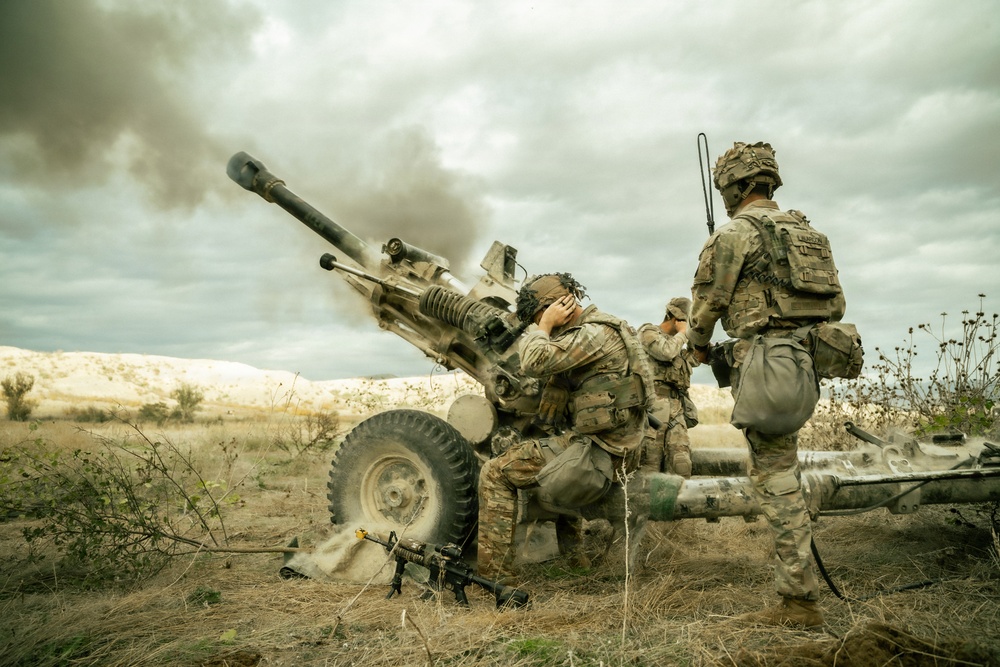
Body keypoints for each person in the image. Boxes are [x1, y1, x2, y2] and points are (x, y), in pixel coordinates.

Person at [688, 141, 847, 630]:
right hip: (806, 365)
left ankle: (799, 603)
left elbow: (710, 302)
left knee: (776, 482)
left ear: (733, 188)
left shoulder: (734, 234)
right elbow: (836, 306)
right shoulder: (809, 234)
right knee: (784, 473)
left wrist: (696, 344)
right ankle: (797, 588)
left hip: (767, 365)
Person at [477, 273, 652, 579]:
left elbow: (534, 361)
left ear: (559, 306)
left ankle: (496, 579)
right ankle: (576, 562)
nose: (537, 325)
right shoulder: (612, 326)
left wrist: (544, 327)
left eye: (537, 317)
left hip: (601, 456)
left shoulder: (592, 334)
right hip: (617, 448)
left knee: (494, 472)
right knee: (558, 443)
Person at [638, 297, 699, 477]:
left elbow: (696, 359)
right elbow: (665, 352)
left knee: (682, 464)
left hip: (676, 407)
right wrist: (682, 334)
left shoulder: (678, 344)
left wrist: (696, 339)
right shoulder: (648, 332)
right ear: (676, 319)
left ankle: (678, 504)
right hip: (652, 409)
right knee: (650, 464)